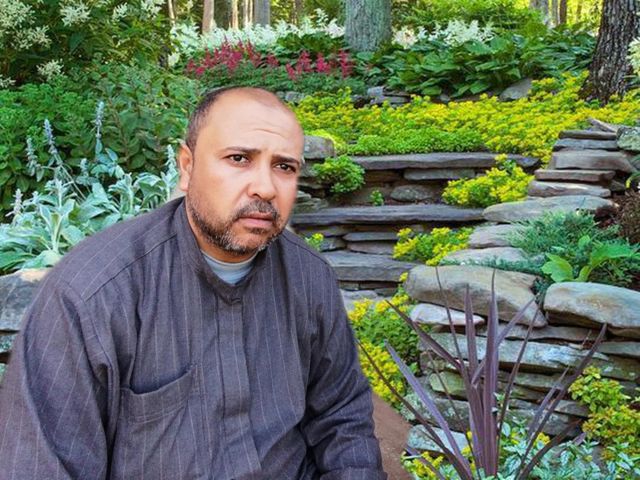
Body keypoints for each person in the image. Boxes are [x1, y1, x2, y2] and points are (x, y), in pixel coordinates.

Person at [0, 87, 386, 479]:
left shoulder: (308, 276)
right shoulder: (91, 295)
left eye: (284, 167)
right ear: (187, 167)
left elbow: (342, 418)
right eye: (239, 158)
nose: (266, 188)